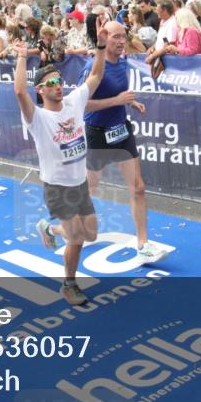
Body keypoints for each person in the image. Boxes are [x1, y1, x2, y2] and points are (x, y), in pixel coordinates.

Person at [13, 24, 108, 306]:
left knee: (90, 234)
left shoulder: (74, 101)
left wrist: (100, 48)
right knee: (77, 237)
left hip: (79, 183)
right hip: (57, 186)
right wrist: (21, 57)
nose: (58, 86)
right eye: (51, 84)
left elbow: (96, 74)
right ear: (41, 90)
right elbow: (20, 93)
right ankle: (69, 284)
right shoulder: (37, 117)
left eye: (59, 81)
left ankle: (50, 229)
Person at [77, 21, 165, 264]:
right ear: (105, 37)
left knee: (138, 187)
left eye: (123, 36)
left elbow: (119, 94)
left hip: (121, 131)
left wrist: (130, 103)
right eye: (115, 36)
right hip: (97, 133)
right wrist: (117, 100)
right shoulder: (92, 68)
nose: (120, 41)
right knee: (90, 188)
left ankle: (143, 243)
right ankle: (69, 226)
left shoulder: (124, 62)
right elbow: (82, 105)